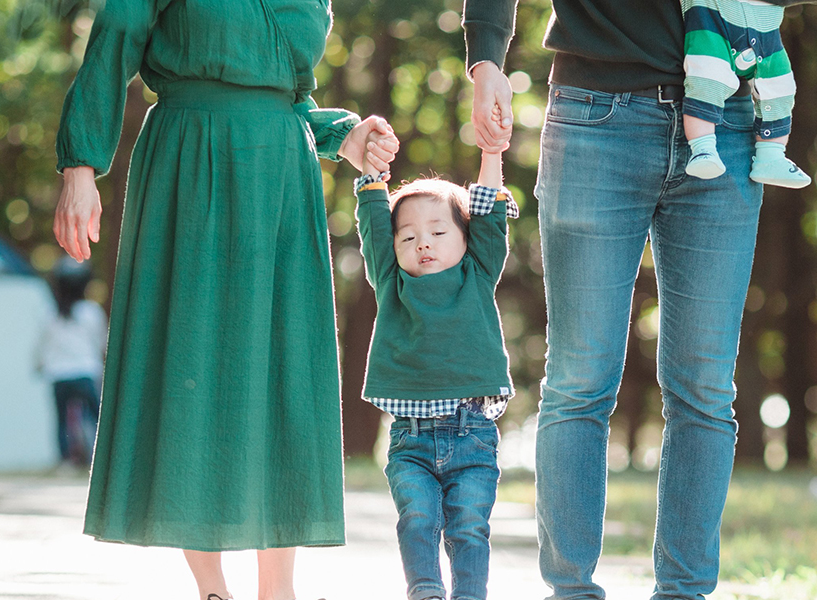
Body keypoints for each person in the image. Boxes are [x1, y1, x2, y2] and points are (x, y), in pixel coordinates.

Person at [460, 1, 817, 598]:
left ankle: (684, 592)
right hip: (594, 113)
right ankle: (571, 591)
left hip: (728, 124)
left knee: (705, 385)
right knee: (580, 378)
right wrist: (486, 59)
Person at [51, 1, 398, 599]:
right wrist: (80, 165)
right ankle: (213, 590)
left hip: (283, 181)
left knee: (282, 375)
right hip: (192, 162)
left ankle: (277, 592)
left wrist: (345, 134)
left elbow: (288, 98)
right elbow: (117, 34)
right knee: (194, 364)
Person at [352, 108, 517, 600]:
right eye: (409, 237)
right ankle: (424, 592)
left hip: (474, 434)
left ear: (466, 241)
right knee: (418, 519)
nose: (423, 243)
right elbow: (373, 223)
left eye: (439, 233)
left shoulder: (479, 270)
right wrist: (372, 170)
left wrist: (492, 152)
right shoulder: (391, 281)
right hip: (411, 440)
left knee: (468, 527)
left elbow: (487, 209)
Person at [681, 0, 811, 188]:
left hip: (765, 25)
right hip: (713, 18)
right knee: (707, 77)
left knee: (780, 85)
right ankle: (702, 148)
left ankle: (771, 155)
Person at [36, 257, 107, 466]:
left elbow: (42, 346)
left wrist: (39, 365)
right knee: (96, 417)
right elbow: (101, 342)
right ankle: (101, 456)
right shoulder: (91, 312)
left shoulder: (49, 314)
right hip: (86, 371)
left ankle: (65, 459)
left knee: (61, 421)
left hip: (58, 375)